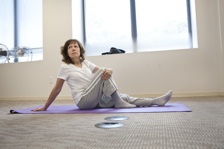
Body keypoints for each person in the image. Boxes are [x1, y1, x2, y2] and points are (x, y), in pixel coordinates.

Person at [32, 39, 172, 111]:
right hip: (84, 101)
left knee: (125, 97)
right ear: (66, 52)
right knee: (102, 71)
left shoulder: (86, 63)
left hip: (97, 100)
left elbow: (105, 72)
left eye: (76, 46)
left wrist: (110, 70)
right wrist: (45, 107)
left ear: (80, 50)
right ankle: (118, 102)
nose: (73, 48)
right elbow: (57, 89)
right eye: (70, 47)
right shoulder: (65, 67)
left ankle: (155, 101)